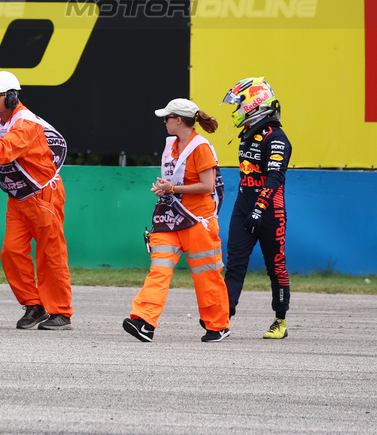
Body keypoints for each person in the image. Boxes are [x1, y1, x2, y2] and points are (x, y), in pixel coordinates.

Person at [0, 70, 73, 330]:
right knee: (11, 252)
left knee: (50, 255)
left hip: (43, 197)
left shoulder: (26, 123)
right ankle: (34, 305)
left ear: (11, 97)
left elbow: (6, 150)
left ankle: (61, 312)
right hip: (18, 200)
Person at [124, 98, 229, 343]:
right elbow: (176, 184)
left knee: (207, 275)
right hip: (170, 219)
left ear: (179, 120)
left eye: (168, 118)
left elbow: (207, 185)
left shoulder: (201, 146)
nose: (164, 122)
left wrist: (172, 188)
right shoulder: (171, 144)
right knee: (158, 271)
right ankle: (144, 322)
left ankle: (218, 325)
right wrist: (165, 189)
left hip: (197, 221)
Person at [222, 77, 292, 340]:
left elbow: (275, 178)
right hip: (243, 207)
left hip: (270, 211)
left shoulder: (278, 138)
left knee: (276, 267)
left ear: (255, 103)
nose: (236, 109)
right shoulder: (247, 133)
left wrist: (259, 209)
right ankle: (222, 318)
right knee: (235, 265)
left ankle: (280, 319)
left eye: (240, 103)